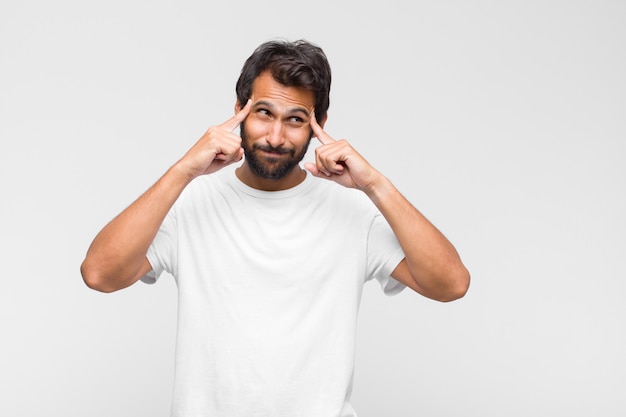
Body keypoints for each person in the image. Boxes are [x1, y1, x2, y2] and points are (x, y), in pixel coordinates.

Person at [81, 39, 470, 417]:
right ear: (239, 111)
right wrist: (183, 170)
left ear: (319, 125)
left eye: (296, 120)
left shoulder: (353, 211)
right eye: (264, 112)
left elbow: (450, 284)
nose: (276, 137)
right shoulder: (189, 203)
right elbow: (99, 273)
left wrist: (375, 184)